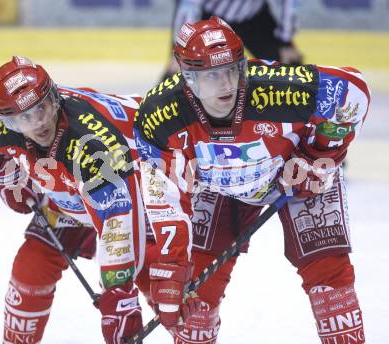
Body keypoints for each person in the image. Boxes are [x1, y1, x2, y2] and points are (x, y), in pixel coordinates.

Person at [133, 17, 370, 343]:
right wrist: (171, 268)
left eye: (232, 70)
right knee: (197, 296)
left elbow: (352, 91)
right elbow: (168, 194)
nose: (226, 84)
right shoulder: (159, 116)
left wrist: (317, 156)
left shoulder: (279, 89)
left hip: (295, 175)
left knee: (330, 281)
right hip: (218, 185)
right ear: (187, 77)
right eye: (211, 75)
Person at [0, 56, 145, 344]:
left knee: (163, 285)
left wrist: (119, 293)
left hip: (139, 189)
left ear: (54, 98)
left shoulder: (92, 144)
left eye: (42, 108)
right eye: (23, 118)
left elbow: (118, 220)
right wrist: (9, 171)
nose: (39, 122)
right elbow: (3, 150)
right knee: (31, 267)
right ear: (6, 121)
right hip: (72, 195)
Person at [161, 0, 303, 81]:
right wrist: (180, 48)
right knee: (179, 72)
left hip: (254, 17)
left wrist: (285, 42)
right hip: (210, 15)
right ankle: (159, 116)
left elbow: (289, 3)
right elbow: (189, 6)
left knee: (290, 71)